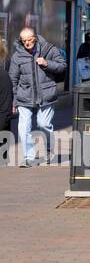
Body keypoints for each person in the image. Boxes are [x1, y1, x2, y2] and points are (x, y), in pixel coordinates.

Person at [8, 28, 66, 167]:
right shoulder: (17, 56)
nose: (27, 43)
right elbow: (13, 79)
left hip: (46, 94)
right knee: (24, 126)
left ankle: (47, 150)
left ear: (35, 37)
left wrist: (47, 63)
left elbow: (62, 66)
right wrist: (14, 100)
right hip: (24, 95)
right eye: (24, 41)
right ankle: (29, 157)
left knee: (43, 124)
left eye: (29, 40)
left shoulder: (49, 49)